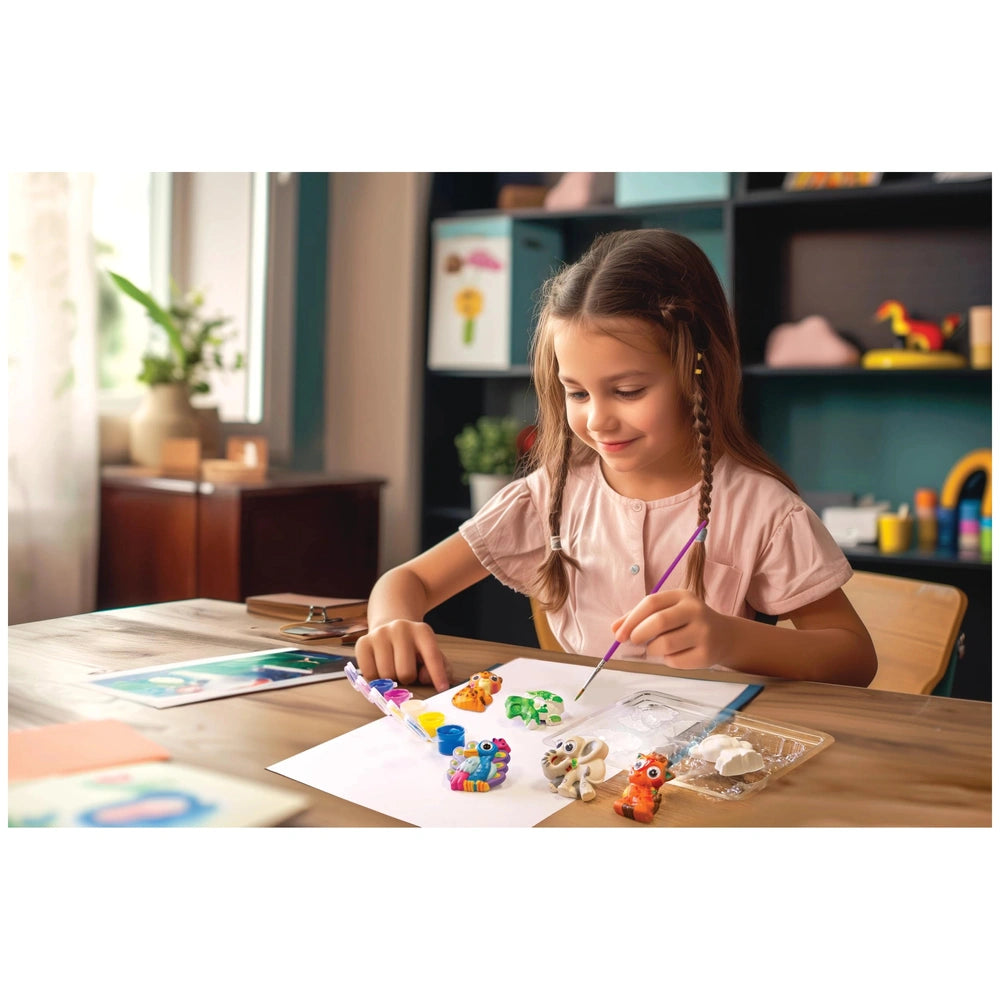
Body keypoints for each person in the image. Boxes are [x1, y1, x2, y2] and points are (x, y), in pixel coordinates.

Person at [355, 229, 877, 691]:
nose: (598, 420)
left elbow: (854, 658)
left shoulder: (763, 510)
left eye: (627, 391)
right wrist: (392, 624)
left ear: (697, 372)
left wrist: (730, 639)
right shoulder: (551, 494)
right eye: (577, 393)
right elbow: (407, 582)